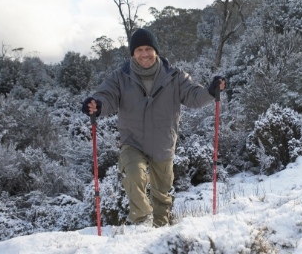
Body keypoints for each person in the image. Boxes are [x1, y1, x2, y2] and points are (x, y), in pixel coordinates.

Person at [81, 28, 224, 228]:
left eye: (148, 49)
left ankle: (160, 231)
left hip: (163, 142)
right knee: (133, 176)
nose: (144, 54)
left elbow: (194, 96)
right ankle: (141, 222)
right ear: (132, 53)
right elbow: (107, 96)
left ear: (156, 50)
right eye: (139, 50)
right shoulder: (120, 77)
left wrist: (210, 91)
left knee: (162, 194)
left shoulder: (174, 76)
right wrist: (97, 105)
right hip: (132, 141)